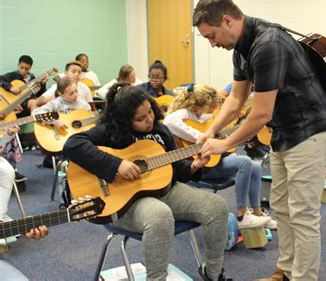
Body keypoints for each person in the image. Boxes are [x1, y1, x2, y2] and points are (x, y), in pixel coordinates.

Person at [193, 0, 326, 280]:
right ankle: (284, 273)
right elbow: (236, 99)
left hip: (310, 133)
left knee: (304, 217)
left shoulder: (267, 44)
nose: (211, 44)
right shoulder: (241, 48)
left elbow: (260, 114)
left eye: (211, 36)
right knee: (284, 210)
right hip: (285, 135)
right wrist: (209, 130)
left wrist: (224, 143)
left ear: (227, 20)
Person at [63, 83, 231, 281]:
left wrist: (193, 167)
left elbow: (175, 170)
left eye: (150, 112)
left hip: (165, 191)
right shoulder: (109, 131)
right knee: (160, 216)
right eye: (140, 119)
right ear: (125, 120)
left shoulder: (161, 131)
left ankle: (213, 273)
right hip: (126, 203)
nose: (149, 120)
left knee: (217, 206)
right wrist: (117, 164)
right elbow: (72, 145)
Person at [163, 83, 276, 230]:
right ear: (199, 104)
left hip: (215, 162)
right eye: (211, 106)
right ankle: (242, 215)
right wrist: (202, 137)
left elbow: (219, 125)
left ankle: (257, 212)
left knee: (255, 167)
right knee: (245, 162)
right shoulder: (184, 114)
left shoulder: (202, 115)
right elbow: (168, 121)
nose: (213, 109)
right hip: (199, 168)